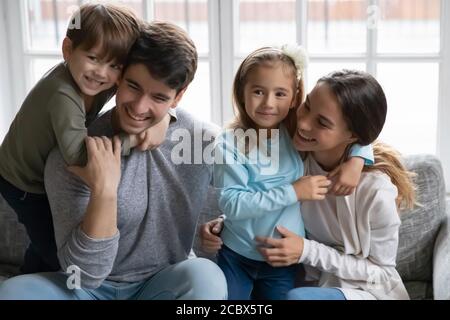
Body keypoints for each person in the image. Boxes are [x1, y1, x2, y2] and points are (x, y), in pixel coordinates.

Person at [0, 21, 227, 300]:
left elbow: (261, 179)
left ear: (178, 96)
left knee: (205, 275)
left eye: (159, 97)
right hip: (87, 290)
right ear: (119, 76)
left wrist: (224, 223)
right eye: (133, 86)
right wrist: (104, 191)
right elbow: (84, 275)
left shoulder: (200, 141)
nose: (139, 107)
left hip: (162, 284)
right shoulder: (73, 155)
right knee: (13, 291)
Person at [204, 70, 414, 300]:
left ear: (353, 136)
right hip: (306, 281)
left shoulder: (375, 192)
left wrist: (306, 250)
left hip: (364, 291)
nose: (302, 123)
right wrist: (229, 223)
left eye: (321, 122)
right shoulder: (298, 159)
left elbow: (382, 273)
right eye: (306, 106)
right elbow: (271, 197)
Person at [0, 3, 171, 274]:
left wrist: (164, 118)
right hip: (23, 182)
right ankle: (33, 280)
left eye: (115, 65)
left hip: (43, 170)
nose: (102, 72)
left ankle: (33, 270)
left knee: (46, 236)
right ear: (68, 51)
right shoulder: (62, 95)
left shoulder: (99, 82)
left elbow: (152, 90)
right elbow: (80, 159)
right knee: (57, 251)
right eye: (93, 58)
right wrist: (136, 138)